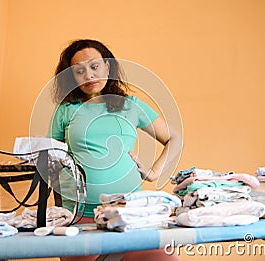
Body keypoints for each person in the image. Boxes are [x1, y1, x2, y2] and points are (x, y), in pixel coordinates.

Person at [48, 39, 181, 261]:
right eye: (79, 71)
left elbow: (174, 138)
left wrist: (155, 172)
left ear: (107, 67)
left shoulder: (131, 105)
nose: (89, 75)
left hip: (131, 215)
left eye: (94, 66)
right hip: (79, 216)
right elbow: (50, 156)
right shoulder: (65, 110)